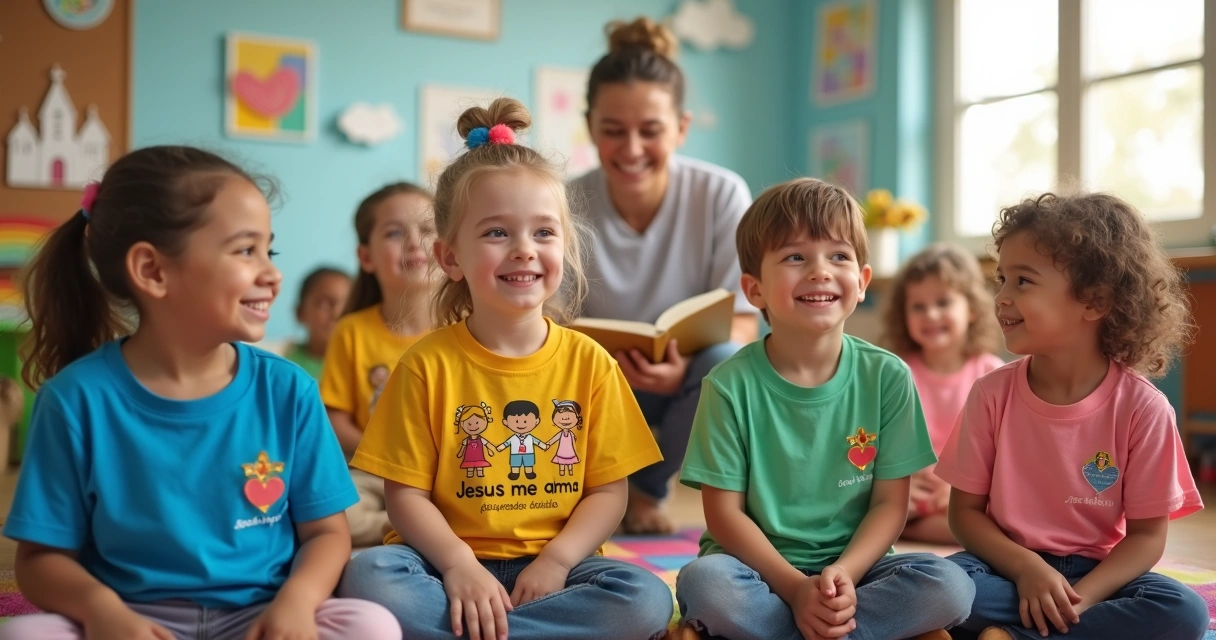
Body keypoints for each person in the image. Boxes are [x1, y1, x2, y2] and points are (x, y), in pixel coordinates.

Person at [0, 146, 398, 640]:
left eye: (268, 251)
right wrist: (103, 611)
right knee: (23, 635)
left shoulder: (289, 389)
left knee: (372, 625)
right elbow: (39, 560)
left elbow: (327, 534)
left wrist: (297, 603)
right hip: (135, 621)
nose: (272, 274)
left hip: (260, 617)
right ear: (152, 270)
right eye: (245, 250)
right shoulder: (76, 399)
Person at [338, 98, 674, 640]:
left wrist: (558, 561)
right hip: (443, 566)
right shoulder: (425, 365)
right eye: (497, 234)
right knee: (369, 576)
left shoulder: (590, 363)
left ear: (565, 246)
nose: (524, 250)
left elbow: (609, 493)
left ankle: (483, 630)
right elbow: (405, 496)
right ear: (450, 257)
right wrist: (457, 565)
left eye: (544, 233)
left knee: (646, 599)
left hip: (556, 570)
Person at [673, 178, 974, 640]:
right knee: (706, 584)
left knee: (950, 586)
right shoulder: (728, 385)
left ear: (862, 282)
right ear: (754, 290)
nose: (820, 271)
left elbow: (890, 505)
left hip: (859, 569)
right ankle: (835, 627)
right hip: (755, 570)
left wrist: (846, 576)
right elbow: (724, 517)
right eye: (795, 257)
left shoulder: (887, 376)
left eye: (838, 256)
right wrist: (796, 590)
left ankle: (802, 628)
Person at [936, 192, 1209, 640]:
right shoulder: (991, 393)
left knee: (1183, 613)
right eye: (1001, 279)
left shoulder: (1144, 408)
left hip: (1096, 577)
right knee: (936, 584)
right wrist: (1027, 571)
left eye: (1022, 281)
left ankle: (1009, 635)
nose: (1001, 297)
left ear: (1094, 301)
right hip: (1001, 566)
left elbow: (1145, 538)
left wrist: (1078, 599)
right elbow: (964, 514)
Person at [572, 16, 757, 532]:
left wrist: (680, 371)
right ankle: (591, 491)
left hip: (687, 378)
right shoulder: (564, 202)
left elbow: (743, 320)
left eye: (650, 131)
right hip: (592, 381)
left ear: (681, 127)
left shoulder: (720, 193)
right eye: (613, 131)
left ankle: (644, 489)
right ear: (590, 127)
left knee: (727, 363)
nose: (631, 150)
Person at [321, 181, 434, 546]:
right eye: (395, 232)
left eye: (428, 229)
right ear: (366, 257)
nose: (415, 242)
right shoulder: (351, 330)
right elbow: (334, 418)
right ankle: (414, 526)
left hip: (445, 475)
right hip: (374, 476)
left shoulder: (467, 326)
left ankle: (420, 524)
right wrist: (385, 457)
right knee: (334, 513)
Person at [881, 243, 1003, 544]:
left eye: (943, 302)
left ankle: (905, 530)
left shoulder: (991, 372)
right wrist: (906, 481)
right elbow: (883, 442)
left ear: (972, 308)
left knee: (1000, 524)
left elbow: (1004, 450)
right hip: (908, 492)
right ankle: (898, 525)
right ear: (903, 315)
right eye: (918, 306)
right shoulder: (896, 372)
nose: (931, 314)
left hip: (969, 494)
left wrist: (957, 487)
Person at [284, 266, 351, 379]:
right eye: (324, 304)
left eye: (348, 305)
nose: (337, 314)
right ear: (300, 313)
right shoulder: (284, 361)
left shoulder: (363, 366)